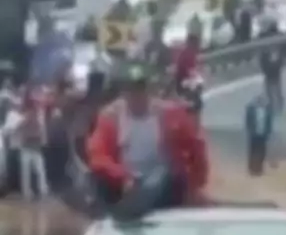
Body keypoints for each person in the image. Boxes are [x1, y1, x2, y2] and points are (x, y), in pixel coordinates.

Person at [85, 63, 208, 220]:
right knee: (96, 177)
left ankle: (136, 207)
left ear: (148, 89)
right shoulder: (110, 117)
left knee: (162, 175)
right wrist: (123, 176)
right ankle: (127, 207)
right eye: (132, 90)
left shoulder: (169, 113)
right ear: (124, 92)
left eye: (141, 88)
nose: (137, 95)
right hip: (126, 182)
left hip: (162, 181)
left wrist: (196, 184)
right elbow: (97, 155)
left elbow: (195, 146)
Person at [244, 92, 274, 176]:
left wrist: (268, 132)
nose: (261, 102)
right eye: (260, 100)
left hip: (263, 134)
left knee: (262, 152)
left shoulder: (268, 110)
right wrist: (250, 130)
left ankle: (259, 168)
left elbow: (269, 122)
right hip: (254, 133)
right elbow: (248, 121)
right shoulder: (251, 109)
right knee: (253, 152)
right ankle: (251, 169)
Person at [259, 46, 284, 110]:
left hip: (273, 76)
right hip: (272, 76)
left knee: (275, 93)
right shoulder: (266, 56)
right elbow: (280, 63)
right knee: (273, 93)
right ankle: (274, 106)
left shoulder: (274, 55)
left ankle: (276, 106)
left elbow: (280, 63)